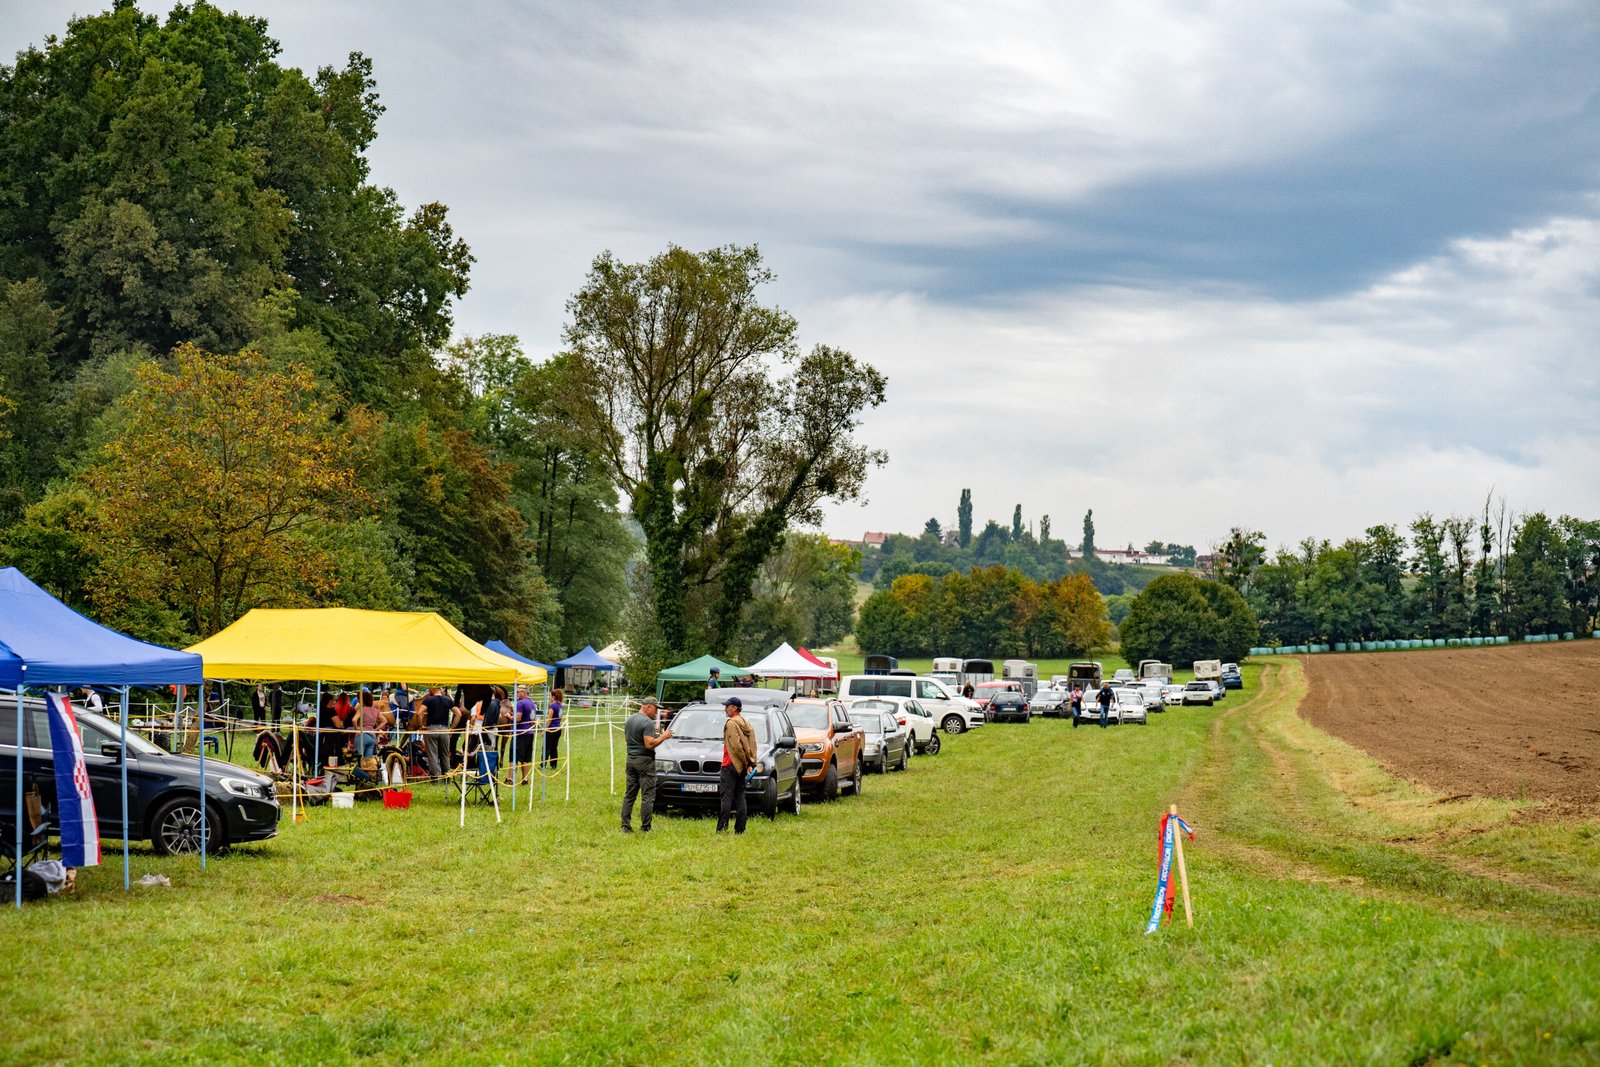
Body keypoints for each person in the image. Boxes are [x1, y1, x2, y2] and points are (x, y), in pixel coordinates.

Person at [621, 696, 673, 833]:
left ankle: (625, 826)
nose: (656, 712)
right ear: (648, 706)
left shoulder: (630, 720)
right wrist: (663, 736)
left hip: (630, 759)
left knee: (629, 795)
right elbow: (649, 744)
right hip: (644, 761)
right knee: (647, 796)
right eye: (655, 709)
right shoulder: (647, 722)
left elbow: (627, 739)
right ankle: (645, 827)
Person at [717, 696, 757, 834]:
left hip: (730, 764)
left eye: (727, 706)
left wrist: (743, 762)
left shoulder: (731, 723)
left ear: (734, 708)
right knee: (740, 796)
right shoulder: (747, 723)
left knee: (726, 797)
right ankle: (740, 829)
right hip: (743, 766)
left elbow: (736, 746)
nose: (725, 709)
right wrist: (750, 763)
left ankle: (722, 828)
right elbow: (753, 745)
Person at [420, 686, 455, 779]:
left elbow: (419, 712)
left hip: (431, 729)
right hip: (444, 730)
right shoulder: (448, 700)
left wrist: (421, 725)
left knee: (432, 754)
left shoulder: (428, 700)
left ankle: (436, 777)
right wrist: (451, 728)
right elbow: (458, 713)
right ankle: (446, 776)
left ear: (432, 689)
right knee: (445, 754)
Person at [512, 687, 538, 785]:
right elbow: (533, 718)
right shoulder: (532, 703)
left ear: (523, 692)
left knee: (515, 757)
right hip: (530, 733)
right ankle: (525, 779)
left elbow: (518, 718)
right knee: (526, 758)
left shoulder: (520, 703)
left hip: (520, 733)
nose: (517, 694)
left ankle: (511, 778)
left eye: (518, 692)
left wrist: (510, 716)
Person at [542, 688, 565, 771]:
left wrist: (544, 729)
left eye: (550, 696)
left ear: (554, 697)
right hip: (558, 729)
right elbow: (560, 717)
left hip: (551, 729)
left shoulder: (552, 706)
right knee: (554, 748)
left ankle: (543, 764)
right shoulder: (560, 706)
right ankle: (554, 765)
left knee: (546, 747)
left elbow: (549, 719)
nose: (549, 697)